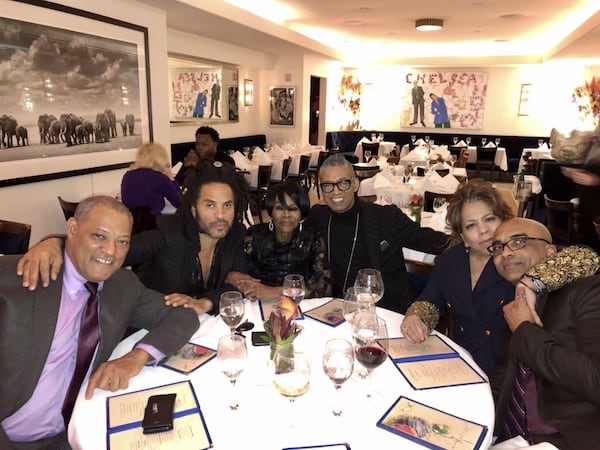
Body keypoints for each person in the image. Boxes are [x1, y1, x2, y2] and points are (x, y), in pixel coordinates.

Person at [1, 196, 198, 449]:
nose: (111, 251)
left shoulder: (122, 286)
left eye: (122, 241)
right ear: (72, 230)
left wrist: (136, 358)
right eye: (99, 236)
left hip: (78, 431)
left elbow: (183, 315)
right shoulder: (18, 278)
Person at [400, 180, 597, 378]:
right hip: (463, 366)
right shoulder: (450, 261)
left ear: (503, 220)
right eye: (471, 225)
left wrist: (533, 281)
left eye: (489, 219)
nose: (483, 230)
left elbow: (586, 258)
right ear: (463, 235)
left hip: (509, 372)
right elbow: (429, 300)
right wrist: (416, 317)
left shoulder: (518, 257)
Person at [17, 160, 250, 316]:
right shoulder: (168, 233)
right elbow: (108, 251)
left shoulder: (235, 234)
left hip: (200, 330)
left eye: (227, 205)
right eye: (210, 205)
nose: (220, 215)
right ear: (192, 208)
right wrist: (55, 242)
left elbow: (237, 285)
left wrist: (204, 303)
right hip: (147, 328)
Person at [490, 218, 600, 449]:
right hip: (513, 435)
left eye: (519, 241)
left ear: (551, 251)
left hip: (567, 438)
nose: (506, 253)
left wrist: (523, 330)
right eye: (498, 247)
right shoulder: (514, 302)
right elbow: (507, 376)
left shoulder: (587, 291)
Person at [304, 153, 448, 314]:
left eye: (343, 183)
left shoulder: (385, 218)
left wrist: (468, 243)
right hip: (331, 309)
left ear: (355, 184)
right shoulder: (318, 217)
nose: (335, 192)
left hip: (382, 309)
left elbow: (428, 240)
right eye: (327, 185)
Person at [226, 181, 331, 301]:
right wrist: (240, 281)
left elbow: (323, 287)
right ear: (271, 211)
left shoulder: (313, 238)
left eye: (293, 209)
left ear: (301, 212)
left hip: (297, 306)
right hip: (256, 303)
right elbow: (232, 272)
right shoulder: (253, 235)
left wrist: (275, 292)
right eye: (279, 208)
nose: (286, 215)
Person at [120, 142, 181, 216]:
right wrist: (171, 177)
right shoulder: (160, 178)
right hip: (152, 221)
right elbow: (179, 203)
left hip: (132, 221)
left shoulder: (127, 176)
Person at [562, 135, 600, 250]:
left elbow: (594, 177)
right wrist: (576, 173)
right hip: (587, 202)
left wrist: (595, 181)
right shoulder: (595, 143)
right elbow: (591, 170)